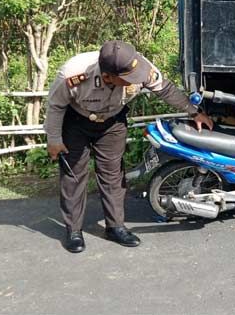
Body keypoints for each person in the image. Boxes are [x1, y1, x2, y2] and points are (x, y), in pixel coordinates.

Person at [44, 40, 213, 253]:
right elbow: (56, 105)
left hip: (112, 122)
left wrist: (194, 112)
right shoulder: (73, 73)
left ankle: (115, 227)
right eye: (129, 79)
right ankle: (73, 231)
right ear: (107, 76)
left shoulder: (139, 66)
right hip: (76, 122)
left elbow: (165, 89)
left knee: (113, 175)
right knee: (74, 175)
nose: (137, 80)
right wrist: (54, 139)